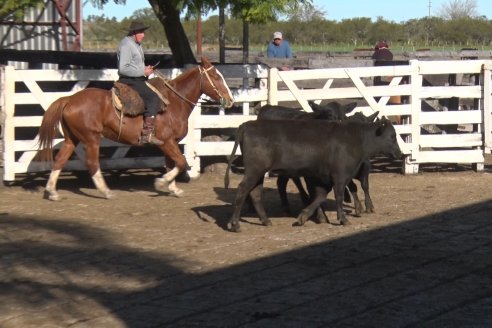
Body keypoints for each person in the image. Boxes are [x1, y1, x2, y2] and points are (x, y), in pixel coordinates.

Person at [117, 20, 163, 145]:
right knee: (153, 98)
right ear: (134, 33)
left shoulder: (135, 44)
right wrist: (143, 72)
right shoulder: (127, 45)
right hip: (130, 80)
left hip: (137, 78)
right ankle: (147, 134)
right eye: (141, 32)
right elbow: (123, 68)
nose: (143, 35)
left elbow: (134, 65)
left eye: (143, 32)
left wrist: (145, 70)